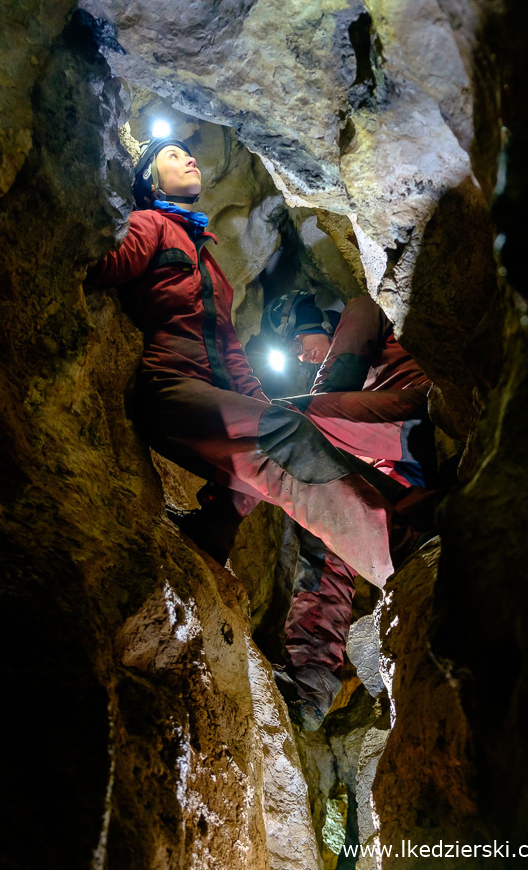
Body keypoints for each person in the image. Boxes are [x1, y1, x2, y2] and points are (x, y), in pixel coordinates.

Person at [86, 133, 403, 725]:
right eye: (172, 155)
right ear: (150, 180)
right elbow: (109, 259)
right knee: (281, 445)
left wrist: (262, 405)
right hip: (169, 389)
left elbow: (232, 352)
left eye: (190, 152)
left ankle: (210, 536)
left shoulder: (206, 253)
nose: (189, 158)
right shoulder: (152, 224)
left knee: (271, 451)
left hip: (210, 390)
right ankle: (396, 559)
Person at [177, 288, 441, 730]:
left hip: (417, 417)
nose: (301, 355)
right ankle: (311, 685)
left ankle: (217, 522)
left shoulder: (365, 307)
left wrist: (316, 368)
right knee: (327, 535)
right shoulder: (361, 402)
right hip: (401, 469)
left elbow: (338, 374)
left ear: (319, 326)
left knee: (280, 426)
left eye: (302, 343)